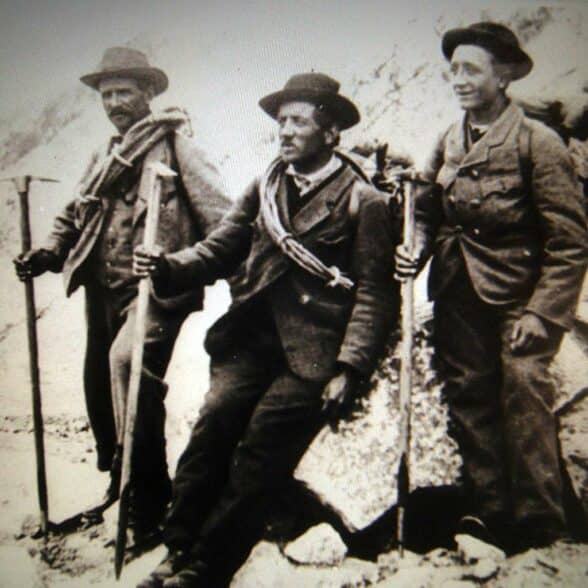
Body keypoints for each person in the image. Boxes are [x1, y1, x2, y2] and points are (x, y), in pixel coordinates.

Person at [135, 72, 400, 587]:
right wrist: (167, 266)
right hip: (252, 339)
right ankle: (176, 547)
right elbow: (220, 249)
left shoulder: (362, 201)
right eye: (281, 121)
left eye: (299, 121)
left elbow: (375, 291)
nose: (285, 131)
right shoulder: (266, 186)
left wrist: (350, 367)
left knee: (260, 448)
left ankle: (207, 567)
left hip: (313, 351)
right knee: (212, 425)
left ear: (330, 133)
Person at [13, 47, 230, 540]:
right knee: (101, 385)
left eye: (124, 91)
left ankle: (149, 502)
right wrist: (48, 252)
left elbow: (224, 220)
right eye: (106, 94)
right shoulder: (104, 154)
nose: (114, 101)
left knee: (128, 365)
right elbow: (74, 211)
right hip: (103, 290)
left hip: (157, 289)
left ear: (149, 93)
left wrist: (193, 266)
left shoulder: (177, 147)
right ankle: (122, 480)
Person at [395, 22, 587, 552]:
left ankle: (542, 523)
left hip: (520, 299)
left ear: (503, 77)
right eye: (453, 70)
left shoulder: (537, 142)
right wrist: (415, 244)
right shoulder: (447, 139)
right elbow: (428, 209)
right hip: (457, 290)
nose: (458, 79)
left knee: (524, 387)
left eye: (471, 69)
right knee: (469, 396)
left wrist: (543, 314)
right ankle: (489, 514)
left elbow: (570, 243)